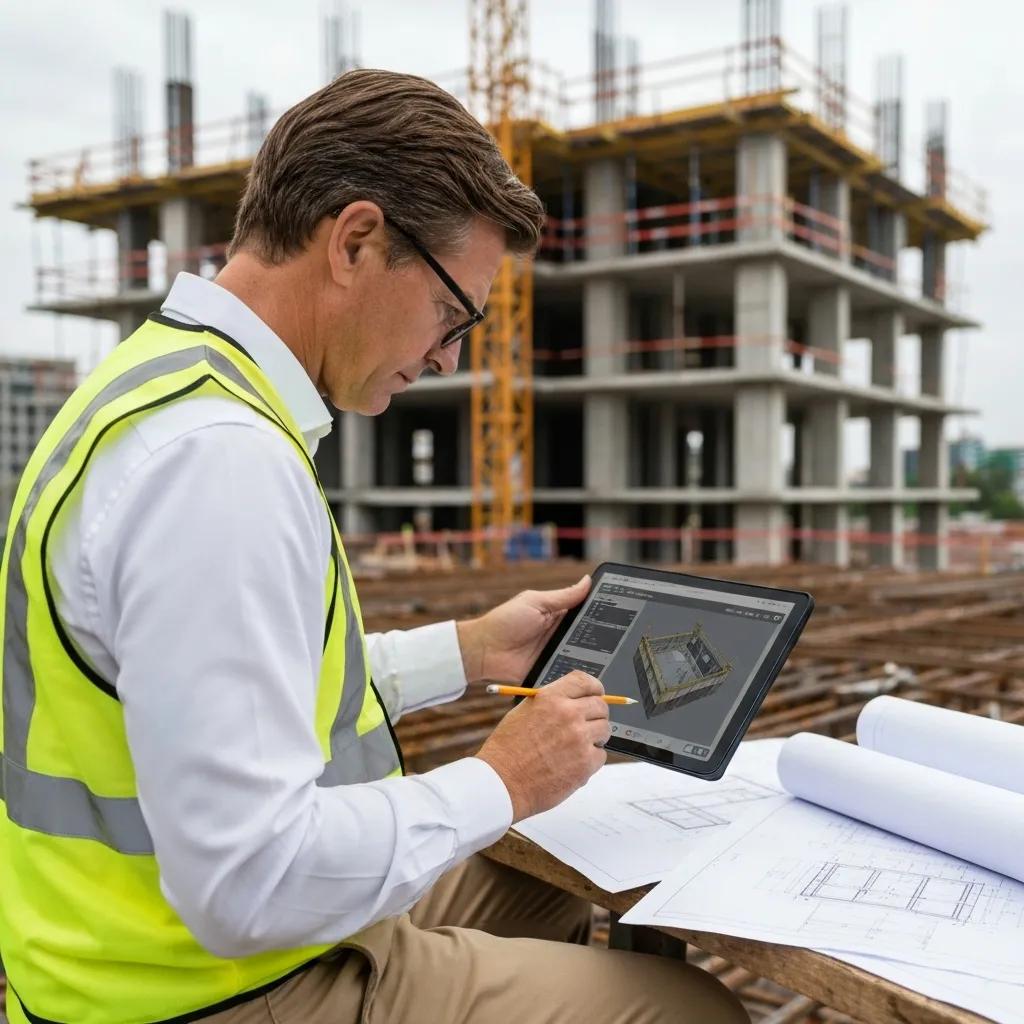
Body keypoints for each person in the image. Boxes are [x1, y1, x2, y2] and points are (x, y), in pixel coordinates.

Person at [0, 69, 747, 1024]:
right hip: (199, 985)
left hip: (143, 943)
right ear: (356, 241)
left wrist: (471, 652)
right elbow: (245, 883)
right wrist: (503, 777)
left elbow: (246, 693)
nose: (449, 358)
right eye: (453, 313)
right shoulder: (219, 464)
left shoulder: (170, 392)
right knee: (690, 1010)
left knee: (558, 876)